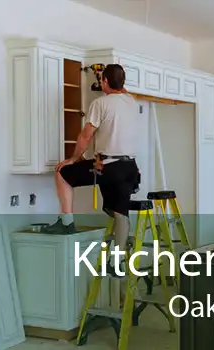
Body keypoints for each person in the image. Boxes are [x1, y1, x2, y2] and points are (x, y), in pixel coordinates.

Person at [43, 63, 140, 272]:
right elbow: (119, 89)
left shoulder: (100, 104)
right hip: (130, 167)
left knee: (63, 173)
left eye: (102, 80)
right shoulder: (132, 102)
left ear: (104, 82)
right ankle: (117, 262)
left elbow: (86, 135)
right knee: (120, 211)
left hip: (108, 165)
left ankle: (66, 222)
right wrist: (107, 78)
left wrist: (74, 158)